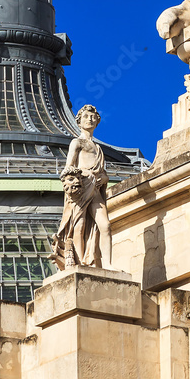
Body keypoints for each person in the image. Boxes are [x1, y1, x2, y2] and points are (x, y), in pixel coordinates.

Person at [50, 105, 112, 269]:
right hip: (81, 188)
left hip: (96, 189)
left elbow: (105, 174)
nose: (90, 119)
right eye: (86, 117)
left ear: (97, 121)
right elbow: (68, 168)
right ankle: (79, 263)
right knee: (79, 226)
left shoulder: (98, 148)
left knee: (105, 225)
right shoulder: (76, 142)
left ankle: (107, 263)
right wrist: (75, 183)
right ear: (79, 121)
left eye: (93, 117)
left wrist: (102, 178)